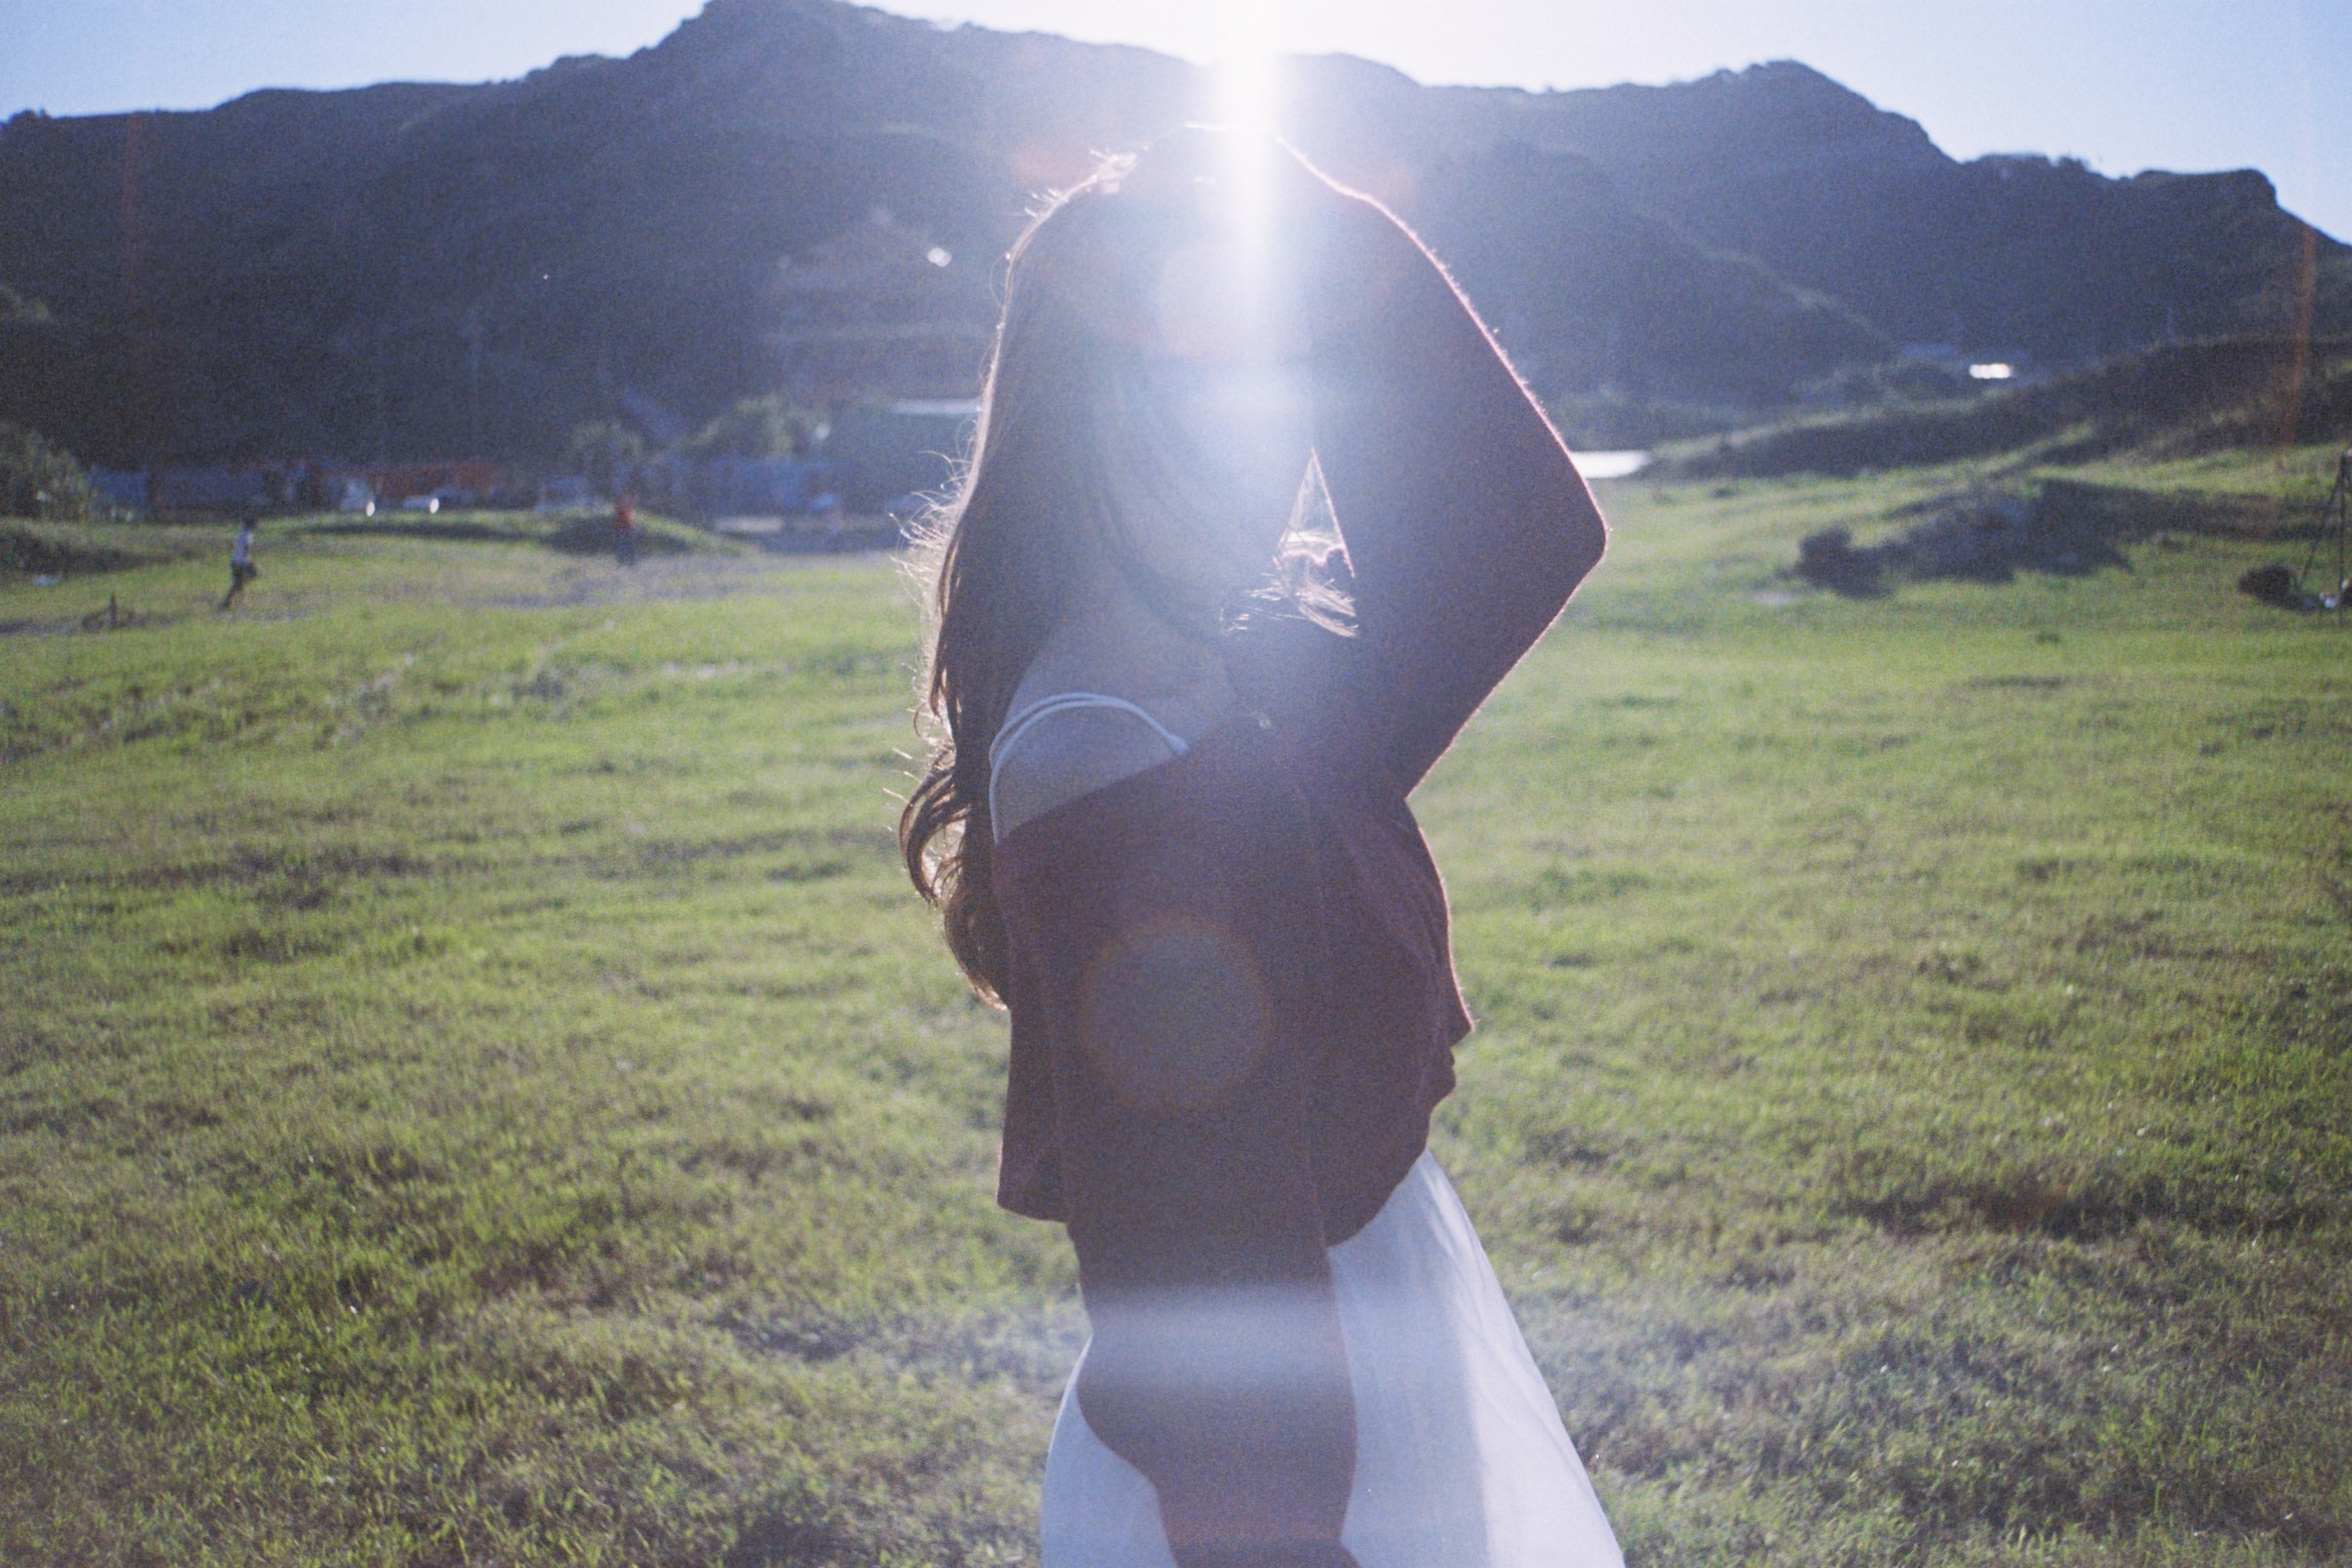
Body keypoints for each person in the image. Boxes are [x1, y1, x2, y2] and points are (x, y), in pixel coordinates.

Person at [899, 132, 1622, 1568]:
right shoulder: (1099, 759)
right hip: (1280, 1487)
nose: (1262, 428)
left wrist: (1280, 191)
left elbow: (1527, 528)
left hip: (1400, 1354)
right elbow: (1198, 1293)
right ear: (1090, 406)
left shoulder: (1266, 678)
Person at [220, 512, 258, 610]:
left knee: (238, 583)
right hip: (242, 562)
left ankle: (240, 602)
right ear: (252, 525)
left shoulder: (241, 534)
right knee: (251, 576)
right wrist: (248, 561)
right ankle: (227, 602)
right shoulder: (249, 535)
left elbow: (233, 545)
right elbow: (247, 548)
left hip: (235, 561)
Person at [612, 492, 639, 566]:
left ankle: (631, 562)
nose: (626, 499)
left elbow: (631, 517)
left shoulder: (630, 506)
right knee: (623, 546)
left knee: (630, 546)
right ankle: (624, 561)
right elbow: (622, 516)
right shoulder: (621, 507)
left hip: (629, 528)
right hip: (624, 528)